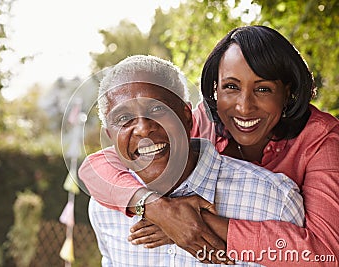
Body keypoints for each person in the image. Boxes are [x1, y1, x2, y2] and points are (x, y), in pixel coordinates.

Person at [79, 26, 339, 266]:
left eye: (263, 89)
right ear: (215, 90)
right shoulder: (205, 118)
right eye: (231, 87)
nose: (244, 106)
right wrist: (158, 209)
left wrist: (193, 225)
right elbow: (97, 166)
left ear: (288, 92)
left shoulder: (321, 139)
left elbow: (326, 253)